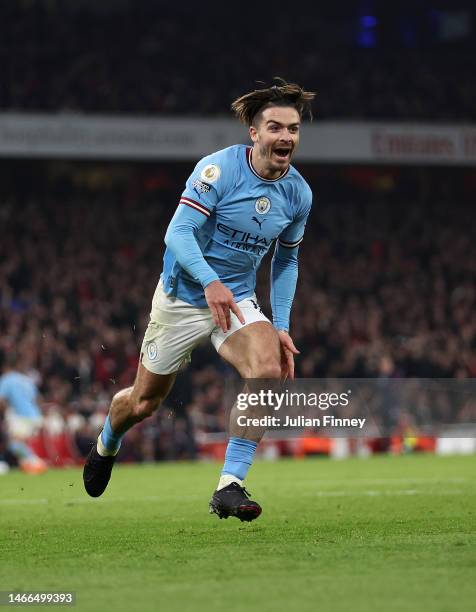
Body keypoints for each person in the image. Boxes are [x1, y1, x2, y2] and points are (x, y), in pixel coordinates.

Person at [83, 80, 315, 521]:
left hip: (237, 298)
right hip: (183, 296)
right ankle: (108, 439)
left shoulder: (298, 194)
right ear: (254, 132)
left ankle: (230, 484)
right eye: (275, 127)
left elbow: (286, 262)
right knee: (144, 404)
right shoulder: (218, 170)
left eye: (293, 129)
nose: (285, 137)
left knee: (266, 369)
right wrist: (210, 281)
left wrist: (281, 326)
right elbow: (177, 233)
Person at [0, 352, 47, 474]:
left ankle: (35, 463)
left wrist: (6, 413)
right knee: (21, 443)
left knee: (14, 443)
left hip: (21, 418)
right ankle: (28, 463)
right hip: (36, 417)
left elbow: (1, 401)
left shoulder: (6, 378)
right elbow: (39, 400)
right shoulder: (26, 380)